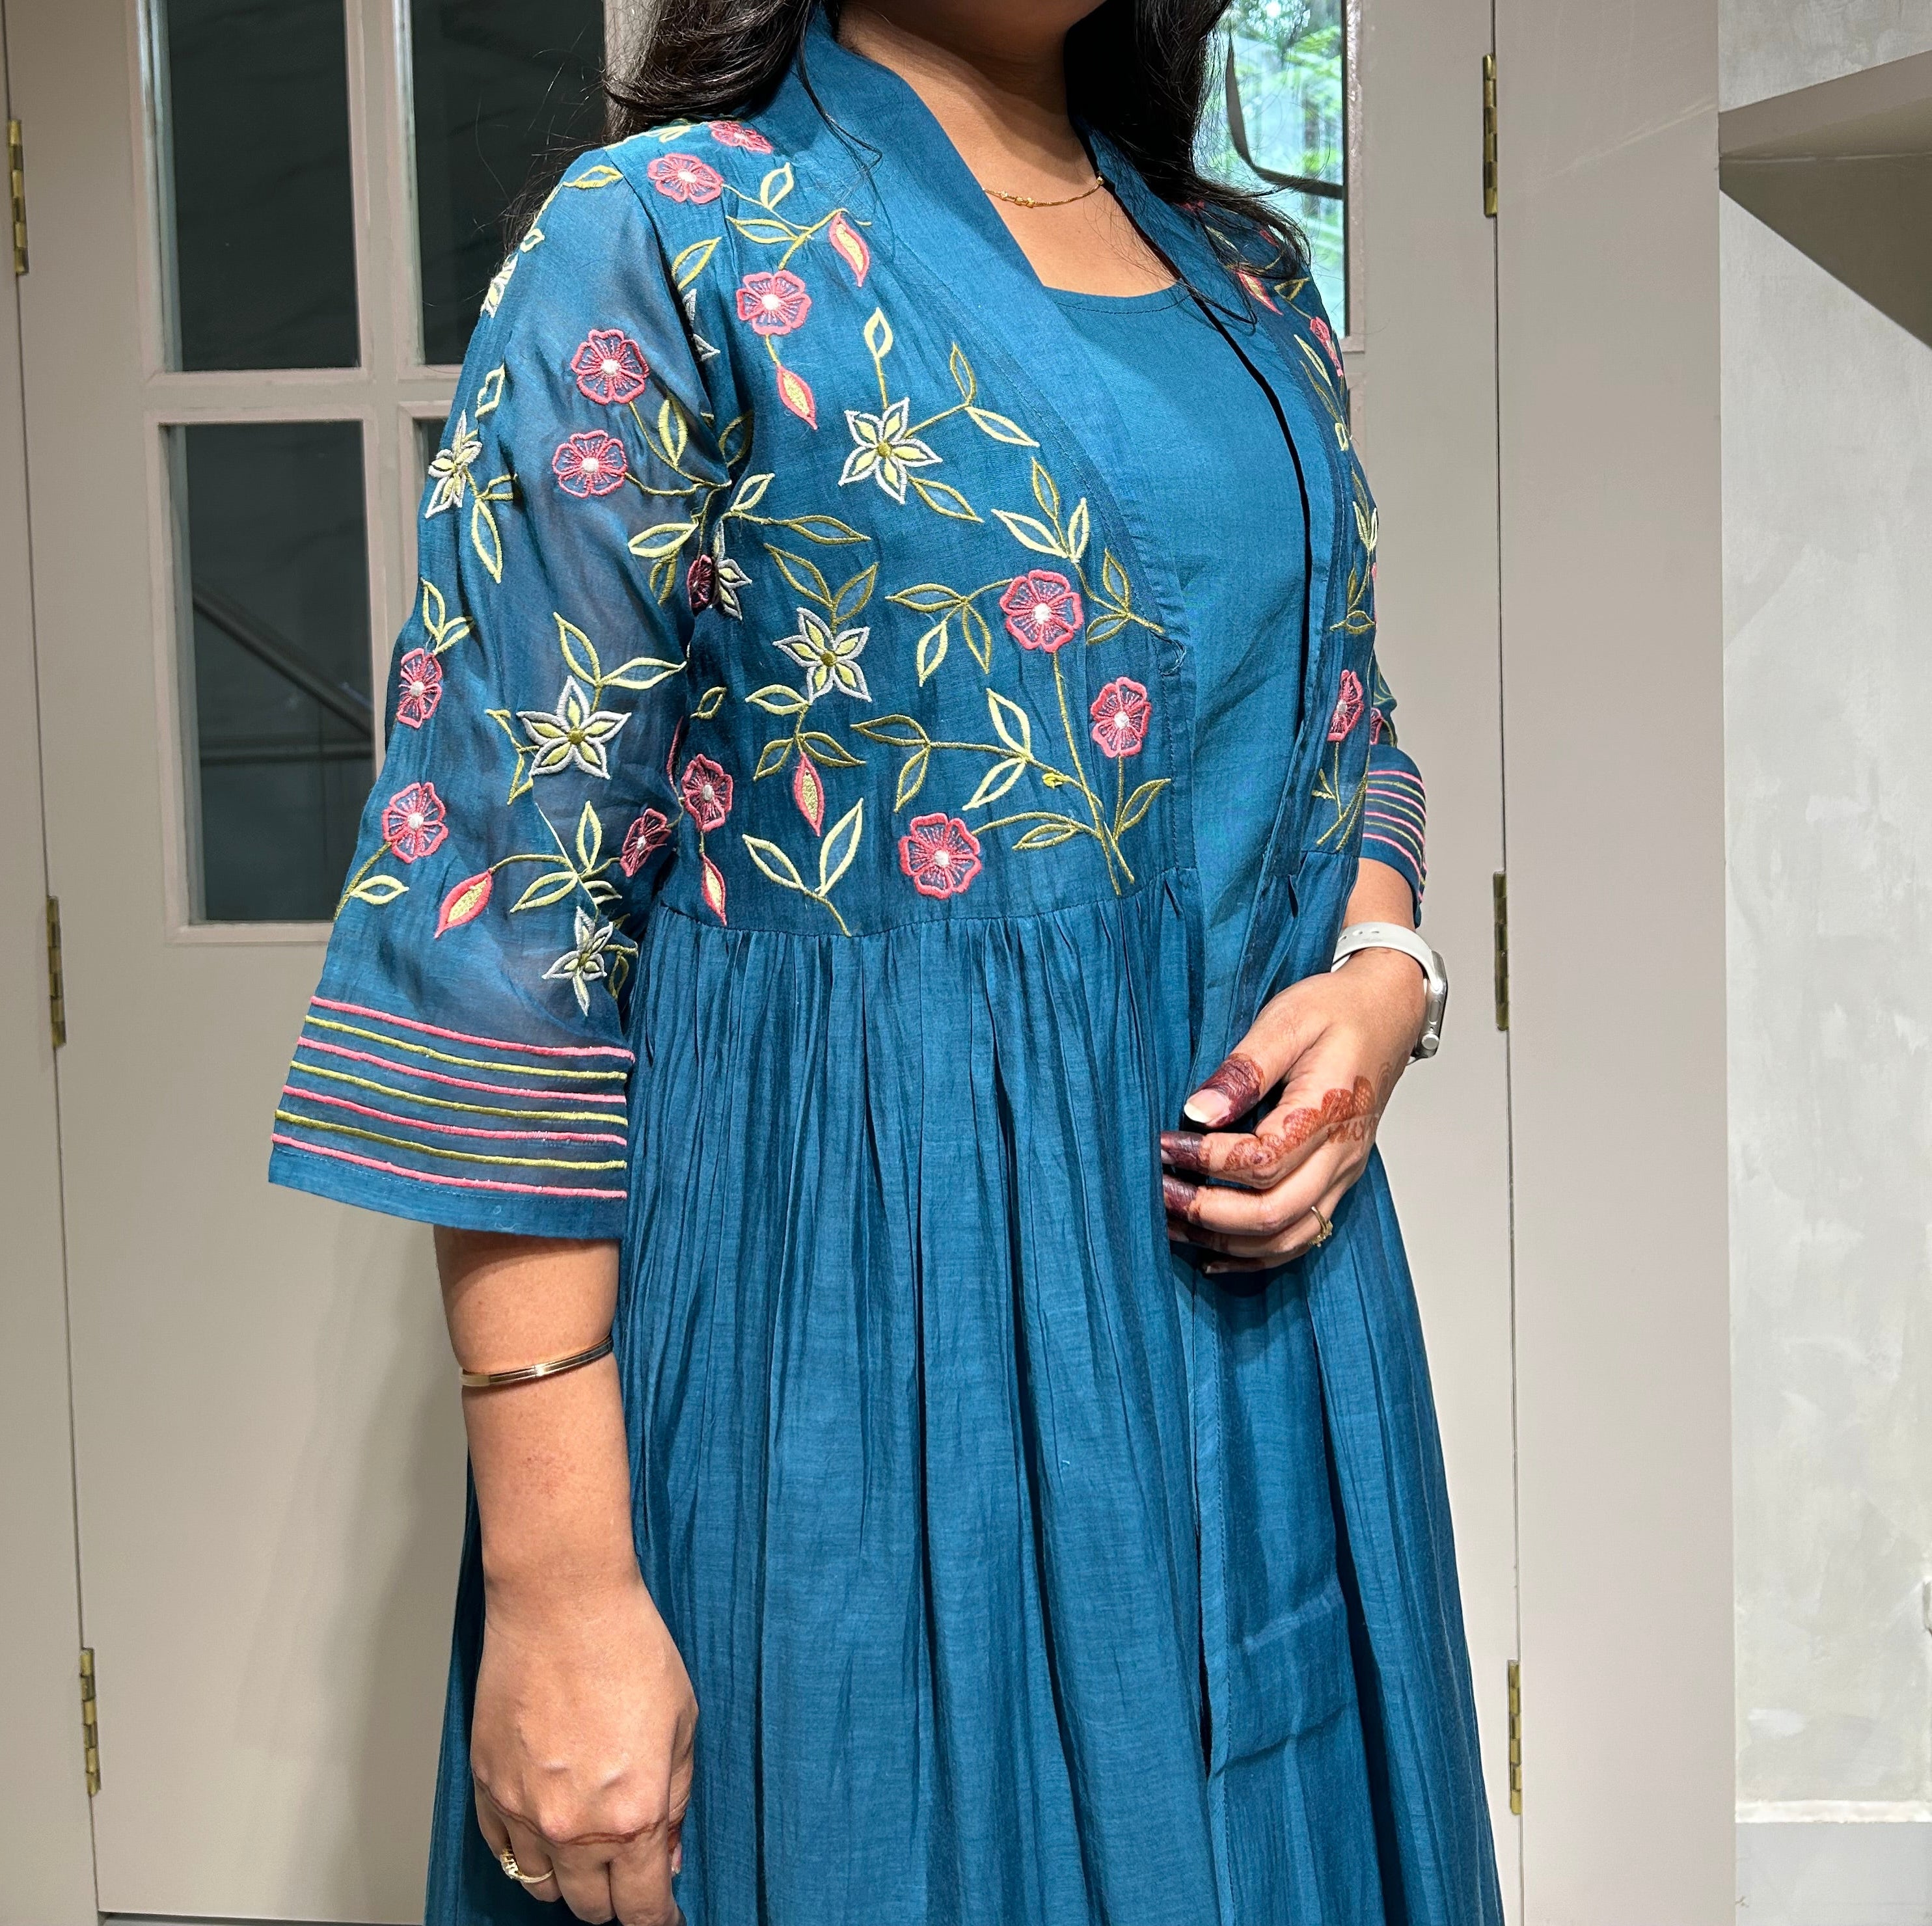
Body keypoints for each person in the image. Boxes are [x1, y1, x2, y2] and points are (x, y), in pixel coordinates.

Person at [269, 2, 1493, 1920]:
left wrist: (1386, 971)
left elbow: (1346, 732)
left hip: (1272, 1355)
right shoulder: (669, 240)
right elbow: (505, 921)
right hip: (862, 1367)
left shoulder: (1243, 278)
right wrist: (561, 1592)